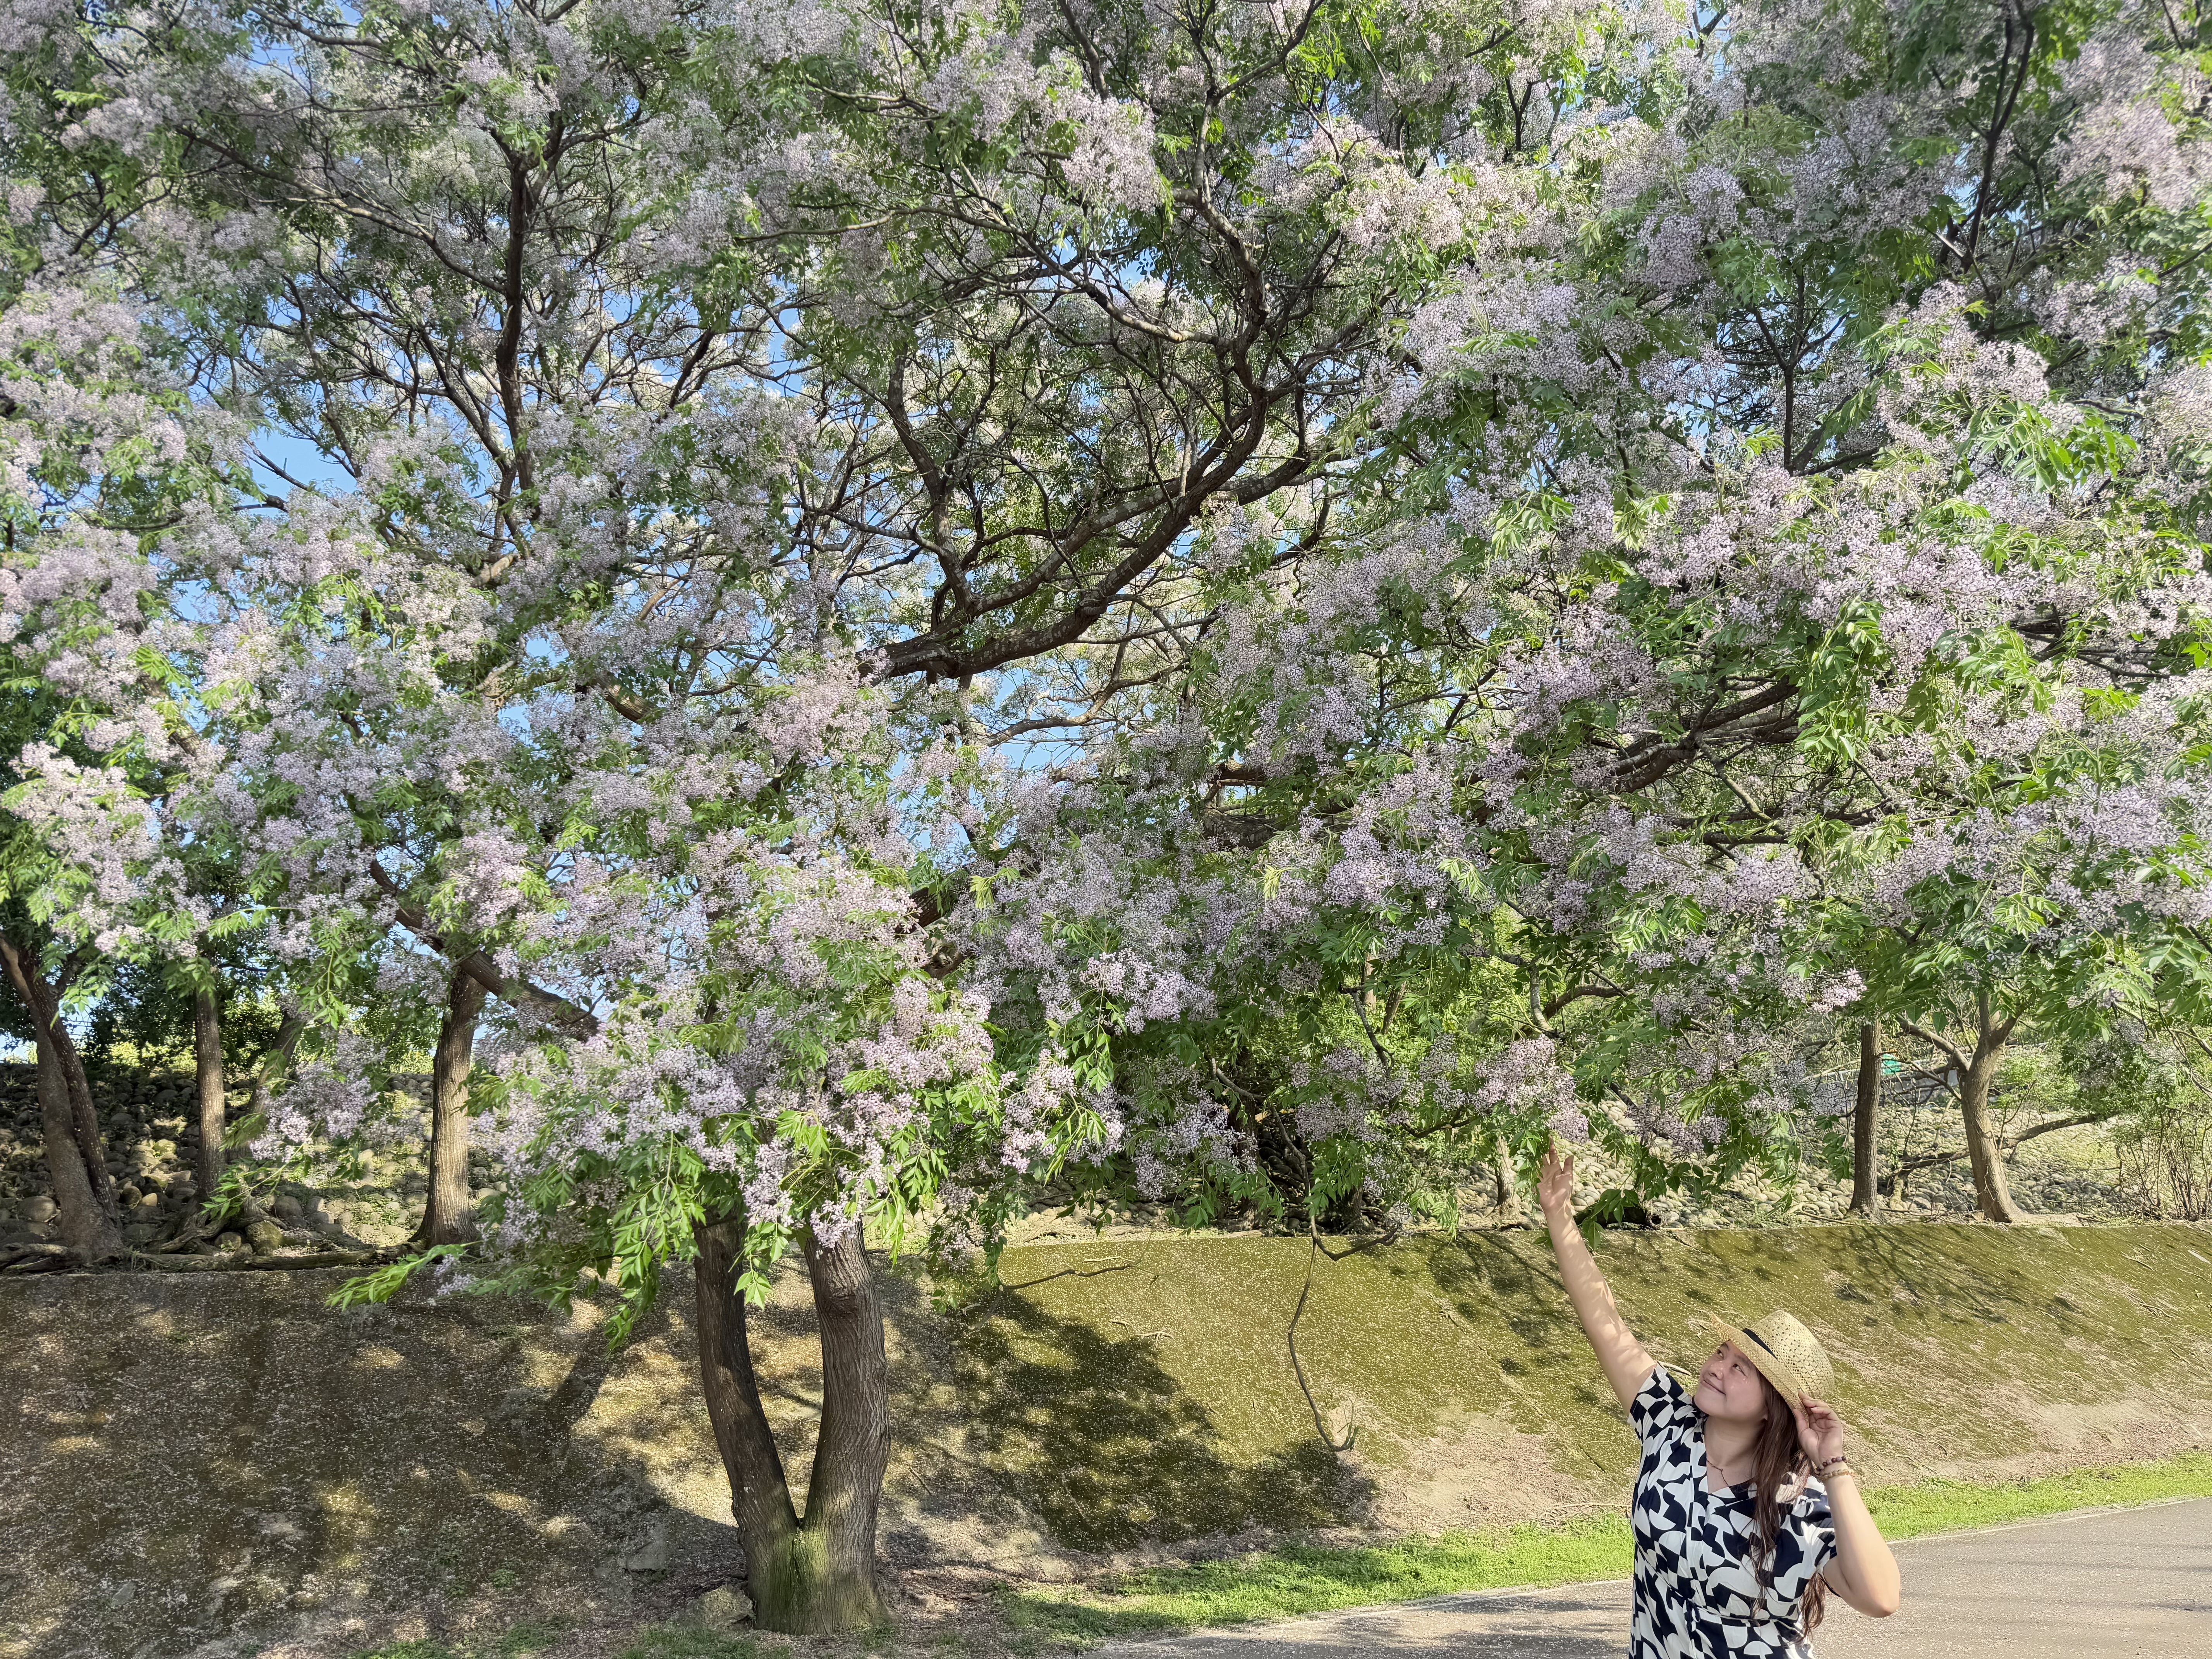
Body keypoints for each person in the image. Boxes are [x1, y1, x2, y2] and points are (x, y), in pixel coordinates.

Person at [1539, 1146, 1902, 1657]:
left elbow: (1881, 1598)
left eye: (1740, 1369)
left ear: (1772, 1406)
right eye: (1720, 1353)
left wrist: (1834, 1467)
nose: (1715, 1368)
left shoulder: (1799, 1502)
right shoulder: (1669, 1424)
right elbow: (1606, 1323)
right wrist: (1559, 1217)